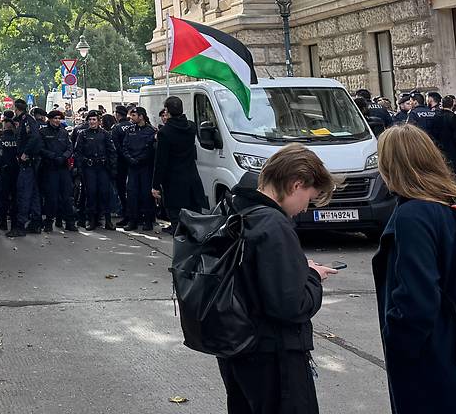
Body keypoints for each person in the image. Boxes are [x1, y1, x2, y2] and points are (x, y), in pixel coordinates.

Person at [375, 124, 456, 413]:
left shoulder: (413, 215)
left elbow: (417, 299)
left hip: (436, 358)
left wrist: (397, 342)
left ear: (391, 166)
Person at [216, 144, 337, 414]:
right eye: (309, 198)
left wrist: (296, 268)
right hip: (274, 354)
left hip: (237, 348)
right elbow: (291, 305)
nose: (305, 208)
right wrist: (312, 276)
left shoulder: (234, 208)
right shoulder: (274, 224)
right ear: (296, 184)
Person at [152, 96, 207, 232]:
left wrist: (155, 185)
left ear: (167, 111)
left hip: (174, 184)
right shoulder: (191, 127)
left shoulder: (165, 132)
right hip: (192, 181)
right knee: (195, 224)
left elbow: (161, 161)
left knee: (178, 226)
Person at [74, 111, 116, 229]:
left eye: (94, 119)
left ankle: (108, 220)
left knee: (105, 193)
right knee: (91, 193)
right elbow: (78, 152)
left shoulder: (105, 134)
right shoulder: (83, 134)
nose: (92, 122)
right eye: (90, 120)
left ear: (98, 121)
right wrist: (80, 168)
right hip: (89, 168)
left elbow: (112, 152)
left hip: (103, 168)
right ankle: (91, 220)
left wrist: (113, 168)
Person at [8, 99, 43, 237]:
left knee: (24, 193)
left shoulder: (26, 120)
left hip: (28, 162)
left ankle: (20, 225)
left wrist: (25, 153)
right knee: (33, 193)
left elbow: (34, 137)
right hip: (31, 162)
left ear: (16, 108)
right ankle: (35, 223)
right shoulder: (26, 119)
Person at [39, 110, 75, 232]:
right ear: (49, 119)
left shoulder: (63, 132)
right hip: (50, 167)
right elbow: (41, 149)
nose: (57, 120)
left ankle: (69, 222)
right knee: (51, 197)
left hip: (63, 167)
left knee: (67, 196)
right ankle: (49, 222)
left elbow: (70, 147)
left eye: (59, 118)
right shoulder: (43, 132)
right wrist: (53, 156)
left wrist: (64, 157)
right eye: (55, 118)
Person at [121, 107, 157, 231]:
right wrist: (130, 159)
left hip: (145, 167)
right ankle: (133, 220)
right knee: (132, 194)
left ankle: (148, 221)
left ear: (141, 116)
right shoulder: (130, 130)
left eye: (134, 115)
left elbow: (151, 149)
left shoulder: (151, 131)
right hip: (132, 167)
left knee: (146, 194)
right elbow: (124, 147)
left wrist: (140, 159)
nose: (131, 118)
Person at [428, 93, 456, 179]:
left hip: (440, 148)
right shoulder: (453, 117)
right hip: (453, 149)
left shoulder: (436, 116)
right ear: (453, 104)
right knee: (455, 172)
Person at [0, 116, 19, 232]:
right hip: (16, 172)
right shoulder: (18, 140)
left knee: (3, 198)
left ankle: (3, 222)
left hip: (4, 172)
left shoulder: (0, 140)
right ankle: (14, 223)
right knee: (15, 198)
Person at [111, 105, 132, 226]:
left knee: (122, 190)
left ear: (117, 115)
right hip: (134, 162)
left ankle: (126, 214)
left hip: (121, 163)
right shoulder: (132, 125)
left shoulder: (116, 128)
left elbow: (116, 147)